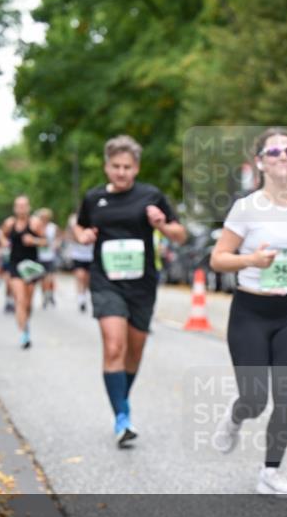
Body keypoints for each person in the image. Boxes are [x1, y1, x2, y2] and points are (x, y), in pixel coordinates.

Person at [209, 128, 287, 497]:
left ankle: (271, 472)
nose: (283, 155)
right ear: (261, 162)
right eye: (274, 151)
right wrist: (251, 259)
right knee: (254, 399)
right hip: (250, 311)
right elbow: (218, 259)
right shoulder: (246, 209)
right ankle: (236, 416)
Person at [73, 135, 186, 446]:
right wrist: (83, 235)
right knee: (113, 348)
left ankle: (122, 400)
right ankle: (122, 418)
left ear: (136, 168)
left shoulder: (151, 196)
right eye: (115, 166)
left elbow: (180, 235)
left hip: (142, 284)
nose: (121, 172)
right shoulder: (94, 198)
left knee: (134, 352)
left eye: (127, 167)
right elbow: (79, 225)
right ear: (106, 167)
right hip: (105, 281)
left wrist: (162, 224)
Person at [0, 195, 48, 348]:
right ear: (14, 208)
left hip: (31, 266)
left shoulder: (35, 223)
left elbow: (46, 241)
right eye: (18, 205)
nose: (21, 208)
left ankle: (26, 324)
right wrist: (3, 241)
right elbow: (1, 234)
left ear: (28, 207)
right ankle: (24, 334)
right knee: (20, 300)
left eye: (24, 205)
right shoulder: (10, 223)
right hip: (15, 265)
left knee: (28, 303)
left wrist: (33, 240)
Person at [66, 213, 94, 313]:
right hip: (78, 255)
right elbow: (69, 235)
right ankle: (80, 297)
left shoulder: (93, 218)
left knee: (87, 277)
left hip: (90, 255)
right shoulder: (74, 219)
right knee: (80, 276)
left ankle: (84, 293)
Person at [34, 208, 60, 308]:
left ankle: (50, 294)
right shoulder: (36, 227)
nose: (44, 219)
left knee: (50, 278)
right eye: (42, 217)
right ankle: (45, 296)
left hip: (50, 256)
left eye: (45, 217)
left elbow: (58, 238)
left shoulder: (53, 227)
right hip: (39, 256)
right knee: (42, 279)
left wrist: (56, 244)